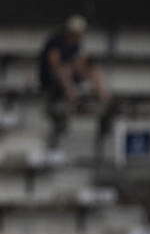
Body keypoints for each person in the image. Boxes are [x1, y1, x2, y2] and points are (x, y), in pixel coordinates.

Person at [38, 14, 110, 153]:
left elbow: (78, 62)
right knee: (64, 71)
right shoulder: (56, 41)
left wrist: (87, 72)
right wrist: (71, 75)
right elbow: (54, 64)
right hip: (51, 78)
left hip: (69, 74)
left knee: (95, 71)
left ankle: (102, 98)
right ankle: (74, 96)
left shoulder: (77, 43)